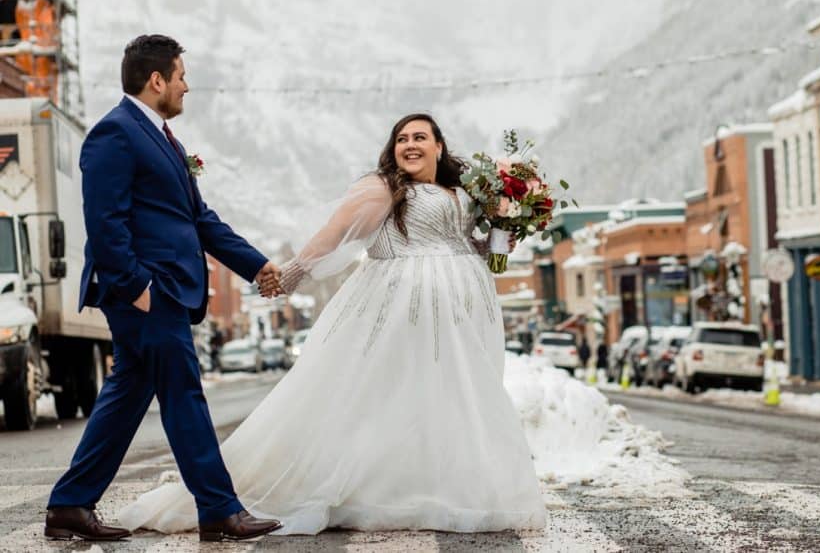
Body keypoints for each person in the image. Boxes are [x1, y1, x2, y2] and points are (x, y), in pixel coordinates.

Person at [117, 113, 547, 536]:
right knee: (396, 391)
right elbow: (335, 232)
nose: (410, 145)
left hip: (465, 309)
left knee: (456, 394)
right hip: (404, 305)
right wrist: (291, 273)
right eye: (401, 139)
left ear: (439, 145)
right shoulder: (385, 189)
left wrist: (503, 234)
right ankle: (380, 487)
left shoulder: (464, 190)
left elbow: (475, 248)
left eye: (420, 137)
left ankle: (450, 483)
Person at [45, 35, 283, 542]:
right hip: (150, 292)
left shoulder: (162, 138)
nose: (186, 86)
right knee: (184, 393)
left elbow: (198, 219)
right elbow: (103, 222)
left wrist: (256, 265)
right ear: (157, 80)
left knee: (128, 396)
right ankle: (219, 510)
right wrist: (138, 288)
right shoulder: (115, 133)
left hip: (161, 290)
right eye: (180, 77)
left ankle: (69, 505)